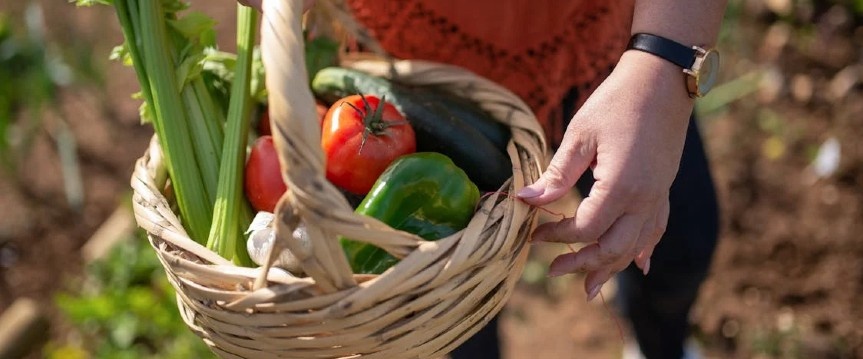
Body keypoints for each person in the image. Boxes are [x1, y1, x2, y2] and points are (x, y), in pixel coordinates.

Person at [241, 1, 725, 358]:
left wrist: (663, 67)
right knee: (457, 321)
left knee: (683, 245)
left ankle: (659, 345)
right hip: (408, 71)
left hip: (617, 55)